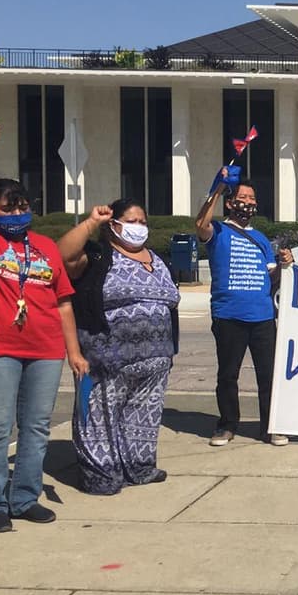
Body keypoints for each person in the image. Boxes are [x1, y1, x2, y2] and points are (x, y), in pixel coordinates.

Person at [0, 118, 88, 532]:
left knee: (36, 427)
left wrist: (73, 351)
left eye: (23, 205)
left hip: (44, 349)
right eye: (7, 206)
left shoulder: (45, 248)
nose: (17, 212)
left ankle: (24, 496)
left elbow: (63, 302)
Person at [57, 200, 181, 494]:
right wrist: (90, 223)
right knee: (98, 415)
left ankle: (139, 467)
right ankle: (101, 473)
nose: (138, 227)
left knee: (143, 416)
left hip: (155, 360)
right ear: (113, 225)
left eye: (142, 221)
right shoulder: (98, 256)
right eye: (131, 220)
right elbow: (60, 256)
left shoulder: (157, 259)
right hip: (105, 359)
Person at [196, 168, 293, 447]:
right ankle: (226, 425)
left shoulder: (262, 239)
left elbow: (271, 277)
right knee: (228, 374)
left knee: (269, 375)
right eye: (243, 197)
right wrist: (217, 187)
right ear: (230, 202)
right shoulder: (218, 231)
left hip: (262, 317)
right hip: (228, 316)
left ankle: (270, 426)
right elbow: (201, 223)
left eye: (252, 198)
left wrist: (284, 265)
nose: (248, 203)